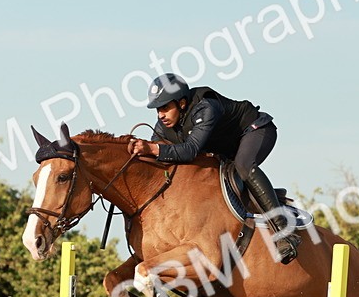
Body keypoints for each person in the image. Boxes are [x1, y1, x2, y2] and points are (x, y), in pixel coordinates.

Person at [127, 73, 299, 264]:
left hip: (255, 130)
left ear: (182, 103)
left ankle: (284, 231)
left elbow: (190, 150)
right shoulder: (163, 127)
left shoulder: (206, 107)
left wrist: (151, 148)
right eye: (158, 109)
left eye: (165, 108)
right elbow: (162, 161)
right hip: (228, 149)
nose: (161, 115)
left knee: (243, 166)